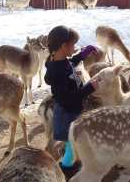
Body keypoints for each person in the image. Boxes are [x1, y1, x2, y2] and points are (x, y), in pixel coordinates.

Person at [44, 25, 98, 179]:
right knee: (72, 145)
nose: (74, 48)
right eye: (73, 45)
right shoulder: (57, 72)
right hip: (67, 113)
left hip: (71, 110)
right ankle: (66, 172)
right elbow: (69, 98)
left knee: (72, 144)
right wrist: (90, 88)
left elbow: (70, 63)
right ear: (63, 46)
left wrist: (83, 54)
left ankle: (71, 166)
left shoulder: (61, 61)